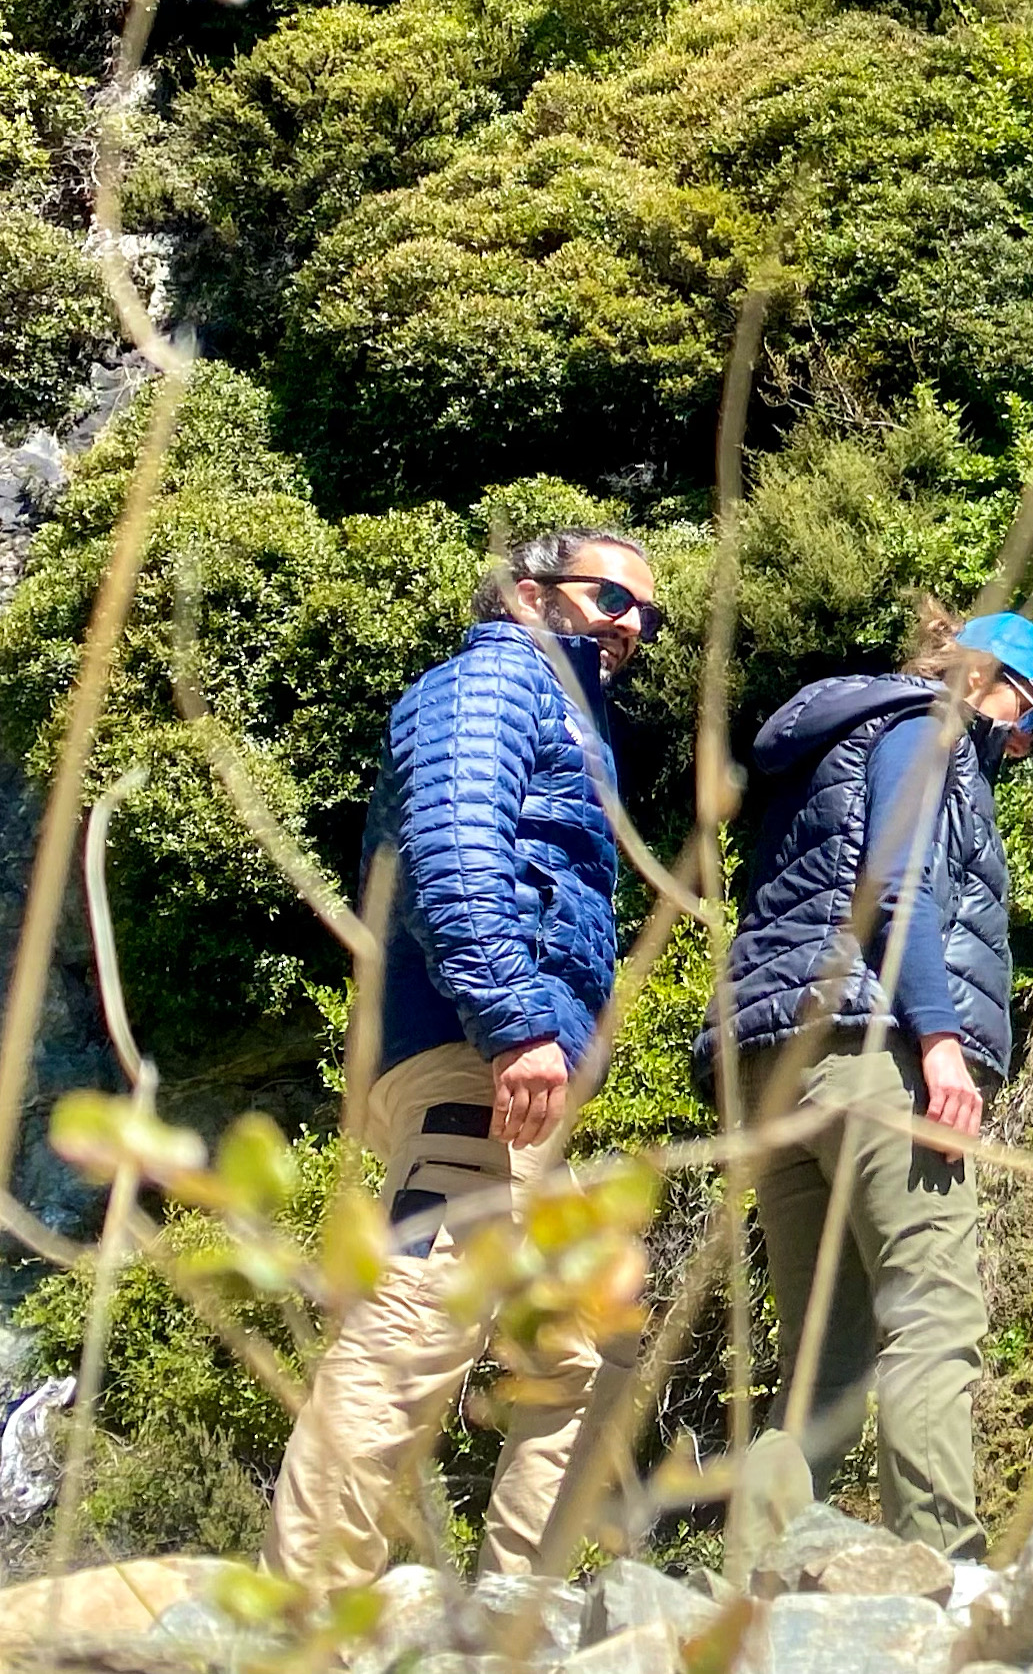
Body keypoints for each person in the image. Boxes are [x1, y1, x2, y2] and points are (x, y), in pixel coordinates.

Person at [266, 527, 661, 1591]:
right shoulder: (491, 680)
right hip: (467, 1048)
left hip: (507, 1065)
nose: (631, 625)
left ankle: (511, 1614)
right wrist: (515, 1023)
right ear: (530, 592)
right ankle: (305, 1614)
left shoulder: (568, 712)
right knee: (420, 1314)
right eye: (609, 598)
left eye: (648, 615)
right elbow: (454, 841)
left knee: (588, 1347)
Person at [702, 607, 1033, 1559]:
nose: (1028, 749)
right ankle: (942, 1578)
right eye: (1032, 722)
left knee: (823, 1364)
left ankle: (756, 1593)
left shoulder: (842, 735)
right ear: (995, 685)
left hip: (778, 1066)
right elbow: (898, 885)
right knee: (935, 1314)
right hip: (877, 1053)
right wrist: (942, 1040)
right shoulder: (929, 728)